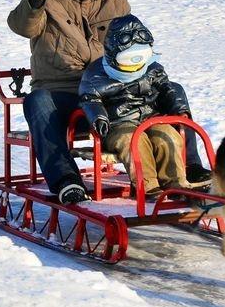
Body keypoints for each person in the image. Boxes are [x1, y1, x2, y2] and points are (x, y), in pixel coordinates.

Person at [8, 0, 210, 206]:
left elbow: (130, 44)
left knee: (170, 90)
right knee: (37, 102)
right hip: (62, 92)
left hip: (110, 92)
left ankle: (190, 167)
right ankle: (67, 181)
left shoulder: (116, 1)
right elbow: (23, 27)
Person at [78, 15, 190, 197]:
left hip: (150, 118)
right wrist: (98, 117)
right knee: (133, 142)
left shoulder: (153, 68)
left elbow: (168, 88)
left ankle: (176, 184)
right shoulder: (96, 74)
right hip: (118, 124)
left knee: (168, 136)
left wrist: (179, 109)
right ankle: (147, 187)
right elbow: (89, 98)